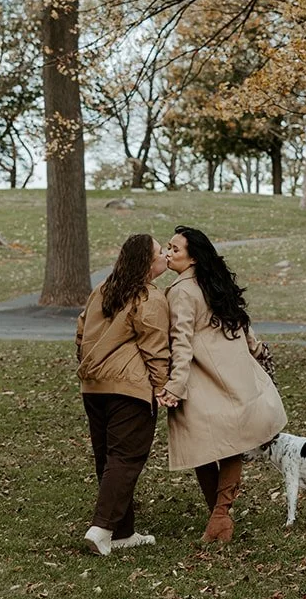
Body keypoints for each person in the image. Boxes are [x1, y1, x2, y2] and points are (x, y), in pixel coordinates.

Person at [157, 225, 286, 543]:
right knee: (231, 443)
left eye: (175, 249)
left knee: (201, 445)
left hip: (205, 378)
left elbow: (181, 342)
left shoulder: (181, 291)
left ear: (193, 259)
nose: (168, 252)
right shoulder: (215, 283)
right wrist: (257, 349)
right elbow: (242, 323)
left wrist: (175, 385)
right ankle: (221, 515)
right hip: (235, 373)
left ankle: (219, 516)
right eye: (168, 247)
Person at [75, 232, 171, 556]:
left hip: (93, 386)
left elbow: (80, 332)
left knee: (108, 458)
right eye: (160, 252)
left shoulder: (102, 289)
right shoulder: (150, 297)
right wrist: (161, 387)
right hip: (129, 389)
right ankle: (101, 529)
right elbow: (156, 349)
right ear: (147, 263)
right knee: (126, 457)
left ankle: (123, 531)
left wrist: (90, 365)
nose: (165, 256)